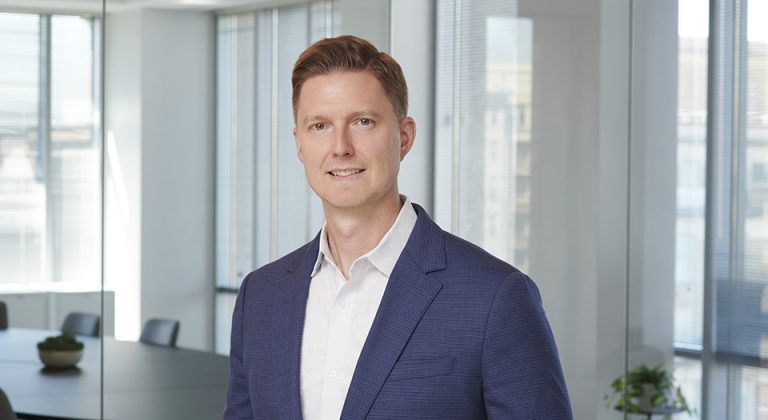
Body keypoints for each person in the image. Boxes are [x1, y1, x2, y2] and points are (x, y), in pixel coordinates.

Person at [224, 35, 572, 420]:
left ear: (404, 138)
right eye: (320, 126)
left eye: (363, 122)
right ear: (300, 145)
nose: (340, 147)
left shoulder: (495, 298)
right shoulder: (261, 297)